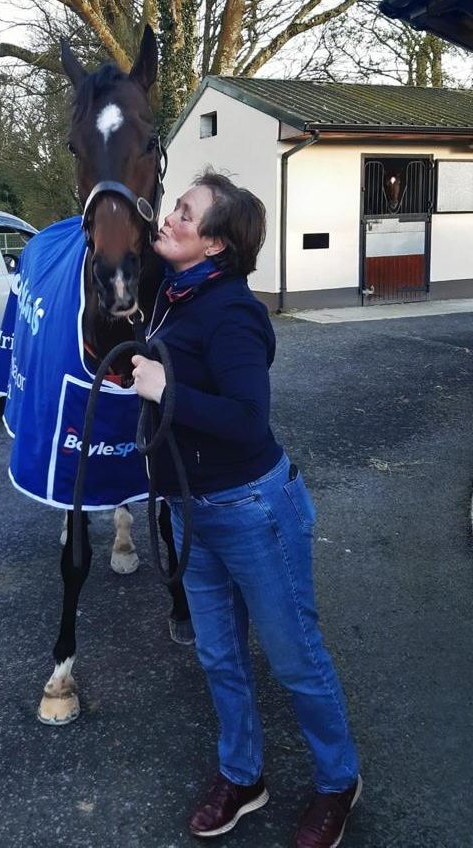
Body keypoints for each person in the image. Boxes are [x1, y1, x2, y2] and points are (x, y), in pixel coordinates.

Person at [131, 171, 361, 847]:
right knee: (220, 655)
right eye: (175, 207)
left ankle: (337, 782)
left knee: (294, 658)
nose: (169, 218)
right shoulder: (174, 298)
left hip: (253, 509)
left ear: (218, 244)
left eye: (185, 212)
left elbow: (246, 419)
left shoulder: (232, 311)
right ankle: (243, 776)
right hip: (192, 512)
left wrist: (167, 387)